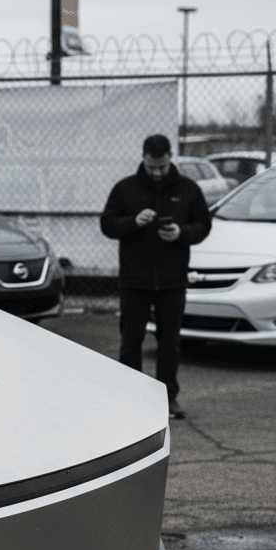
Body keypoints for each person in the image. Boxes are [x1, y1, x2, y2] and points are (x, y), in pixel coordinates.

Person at [100, 134, 212, 420]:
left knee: (169, 342)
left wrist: (181, 234)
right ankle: (129, 396)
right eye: (152, 167)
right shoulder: (126, 188)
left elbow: (203, 224)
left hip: (172, 279)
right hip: (135, 279)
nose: (158, 172)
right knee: (131, 340)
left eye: (162, 166)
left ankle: (167, 398)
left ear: (170, 157)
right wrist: (132, 222)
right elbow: (107, 224)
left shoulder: (188, 189)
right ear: (143, 158)